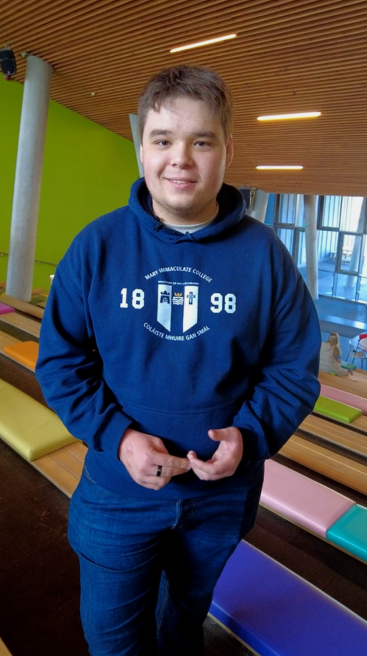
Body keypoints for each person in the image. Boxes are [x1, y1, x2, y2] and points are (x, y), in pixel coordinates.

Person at [36, 65, 321, 656]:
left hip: (222, 500)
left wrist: (250, 434)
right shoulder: (97, 246)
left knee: (183, 626)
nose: (180, 159)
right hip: (117, 495)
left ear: (227, 149)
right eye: (163, 140)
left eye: (201, 141)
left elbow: (293, 368)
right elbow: (62, 362)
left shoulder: (267, 257)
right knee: (113, 643)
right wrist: (117, 438)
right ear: (141, 148)